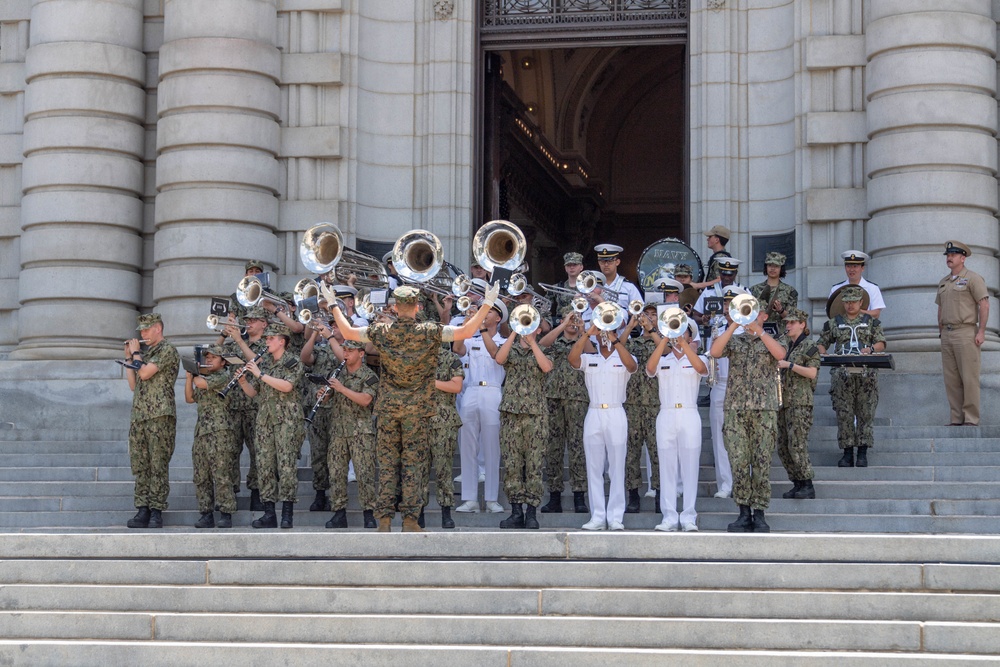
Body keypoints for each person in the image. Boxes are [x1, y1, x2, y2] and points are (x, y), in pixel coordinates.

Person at [330, 282, 501, 532]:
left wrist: (333, 305)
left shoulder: (382, 331)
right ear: (417, 306)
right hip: (417, 410)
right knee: (413, 465)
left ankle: (385, 520)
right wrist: (486, 304)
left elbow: (347, 331)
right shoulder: (429, 330)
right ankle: (410, 519)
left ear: (396, 307)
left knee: (388, 465)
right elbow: (466, 331)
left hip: (388, 409)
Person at [710, 297, 786, 533]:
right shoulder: (735, 341)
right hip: (736, 410)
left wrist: (759, 332)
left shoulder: (772, 338)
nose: (751, 316)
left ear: (764, 316)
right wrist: (733, 324)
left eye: (755, 312)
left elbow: (781, 354)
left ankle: (760, 512)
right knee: (739, 462)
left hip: (764, 409)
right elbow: (715, 351)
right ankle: (743, 512)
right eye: (748, 312)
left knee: (762, 463)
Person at [569, 320, 638, 531]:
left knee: (617, 466)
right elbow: (572, 359)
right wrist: (587, 333)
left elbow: (632, 367)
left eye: (607, 331)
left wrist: (616, 340)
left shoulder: (625, 356)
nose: (604, 335)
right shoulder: (590, 358)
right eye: (601, 332)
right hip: (594, 411)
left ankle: (616, 516)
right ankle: (598, 515)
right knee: (594, 467)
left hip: (616, 411)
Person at [239, 323, 305, 529]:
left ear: (282, 341)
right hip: (265, 420)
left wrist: (259, 374)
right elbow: (255, 393)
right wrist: (242, 381)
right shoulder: (265, 363)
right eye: (265, 338)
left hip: (287, 420)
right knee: (265, 466)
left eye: (270, 338)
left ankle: (287, 513)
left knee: (286, 467)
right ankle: (269, 513)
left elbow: (287, 386)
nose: (266, 341)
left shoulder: (292, 362)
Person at [646, 319, 708, 531]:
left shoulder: (698, 358)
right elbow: (650, 368)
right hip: (667, 413)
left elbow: (701, 369)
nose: (678, 335)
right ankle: (669, 516)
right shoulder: (664, 359)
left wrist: (683, 344)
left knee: (690, 467)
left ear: (691, 337)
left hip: (689, 413)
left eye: (684, 333)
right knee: (667, 467)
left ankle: (689, 515)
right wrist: (664, 339)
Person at [817, 285, 887, 467]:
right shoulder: (834, 323)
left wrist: (870, 349)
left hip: (866, 374)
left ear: (861, 302)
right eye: (847, 302)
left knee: (866, 412)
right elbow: (821, 343)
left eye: (854, 302)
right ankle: (847, 453)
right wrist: (823, 353)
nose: (850, 305)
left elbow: (881, 343)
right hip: (842, 374)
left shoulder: (871, 322)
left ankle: (862, 452)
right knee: (844, 413)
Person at [494, 318, 553, 529]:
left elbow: (546, 367)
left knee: (534, 464)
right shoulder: (510, 349)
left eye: (530, 325)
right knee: (512, 464)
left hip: (536, 415)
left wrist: (533, 342)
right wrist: (514, 333)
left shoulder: (544, 349)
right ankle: (516, 510)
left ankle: (531, 513)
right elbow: (499, 359)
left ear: (538, 328)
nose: (526, 329)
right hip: (511, 413)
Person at [123, 313, 180, 529]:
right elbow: (133, 383)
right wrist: (129, 358)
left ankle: (156, 510)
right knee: (141, 464)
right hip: (140, 415)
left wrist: (137, 353)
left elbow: (145, 373)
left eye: (146, 329)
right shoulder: (146, 354)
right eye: (141, 330)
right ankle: (142, 509)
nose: (142, 333)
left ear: (158, 328)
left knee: (158, 463)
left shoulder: (167, 350)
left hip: (159, 415)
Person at [453, 300, 508, 515]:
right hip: (472, 390)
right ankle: (470, 498)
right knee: (467, 446)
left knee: (492, 447)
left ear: (498, 318)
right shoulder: (473, 338)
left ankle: (492, 498)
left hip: (493, 391)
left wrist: (481, 327)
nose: (485, 314)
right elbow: (457, 348)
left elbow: (498, 356)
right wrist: (468, 322)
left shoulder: (504, 341)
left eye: (490, 311)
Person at [538, 306, 592, 514]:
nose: (572, 322)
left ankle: (579, 495)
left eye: (575, 318)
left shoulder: (584, 340)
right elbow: (541, 345)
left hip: (577, 399)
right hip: (553, 398)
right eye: (568, 318)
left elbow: (591, 353)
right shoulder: (555, 341)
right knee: (554, 449)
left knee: (578, 447)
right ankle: (554, 496)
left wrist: (583, 330)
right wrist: (562, 325)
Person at [324, 339, 379, 529]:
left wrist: (342, 388)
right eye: (344, 350)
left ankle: (369, 514)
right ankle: (339, 513)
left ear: (361, 353)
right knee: (336, 473)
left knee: (365, 474)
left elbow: (365, 400)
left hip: (360, 432)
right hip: (339, 430)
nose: (345, 354)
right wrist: (324, 395)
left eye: (350, 350)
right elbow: (329, 399)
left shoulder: (368, 376)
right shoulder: (338, 373)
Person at [937, 240, 989, 426]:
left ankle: (971, 419)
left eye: (953, 255)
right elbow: (941, 308)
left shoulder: (973, 278)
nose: (949, 258)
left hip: (966, 332)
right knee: (951, 379)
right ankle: (956, 418)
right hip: (948, 334)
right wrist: (941, 332)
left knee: (969, 378)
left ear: (963, 258)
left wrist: (981, 331)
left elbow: (984, 304)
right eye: (948, 255)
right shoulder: (944, 282)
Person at [184, 344, 237, 528]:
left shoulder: (224, 376)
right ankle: (205, 513)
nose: (208, 360)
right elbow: (190, 398)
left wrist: (194, 372)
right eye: (207, 357)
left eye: (213, 357)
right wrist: (188, 377)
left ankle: (226, 512)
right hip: (202, 431)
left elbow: (201, 384)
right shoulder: (205, 377)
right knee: (201, 475)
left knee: (221, 474)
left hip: (220, 431)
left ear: (223, 362)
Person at [222, 306, 268, 511]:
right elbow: (211, 355)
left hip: (254, 406)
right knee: (230, 451)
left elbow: (258, 361)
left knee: (257, 451)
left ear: (264, 323)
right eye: (246, 320)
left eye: (253, 320)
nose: (248, 323)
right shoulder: (237, 343)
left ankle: (257, 492)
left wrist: (239, 340)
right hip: (233, 405)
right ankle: (229, 492)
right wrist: (224, 335)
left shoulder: (268, 344)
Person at [775, 308, 820, 499]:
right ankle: (797, 481)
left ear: (803, 324)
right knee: (783, 445)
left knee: (797, 444)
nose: (789, 325)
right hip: (783, 401)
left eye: (793, 322)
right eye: (787, 322)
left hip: (800, 402)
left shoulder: (810, 346)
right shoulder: (785, 345)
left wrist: (790, 365)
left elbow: (812, 373)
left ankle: (807, 483)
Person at [300, 321, 345, 513]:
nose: (333, 328)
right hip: (317, 407)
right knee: (318, 453)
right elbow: (305, 357)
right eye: (331, 325)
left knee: (336, 456)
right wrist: (314, 335)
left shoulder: (351, 349)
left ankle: (337, 496)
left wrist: (330, 337)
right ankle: (320, 493)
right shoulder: (323, 349)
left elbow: (344, 358)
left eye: (337, 325)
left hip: (339, 409)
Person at [622, 302, 662, 513]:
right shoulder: (634, 343)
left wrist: (652, 329)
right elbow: (617, 349)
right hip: (632, 404)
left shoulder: (664, 341)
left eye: (653, 315)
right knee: (631, 454)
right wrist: (630, 326)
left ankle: (660, 494)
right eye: (645, 314)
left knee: (657, 453)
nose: (648, 318)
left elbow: (666, 351)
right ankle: (633, 495)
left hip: (656, 404)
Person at [428, 344, 464, 529]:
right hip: (417, 420)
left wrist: (430, 382)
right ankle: (416, 513)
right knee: (416, 471)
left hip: (443, 420)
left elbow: (456, 386)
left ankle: (446, 512)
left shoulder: (450, 359)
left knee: (444, 470)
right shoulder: (413, 356)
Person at [830, 250, 885, 319]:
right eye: (848, 266)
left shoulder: (872, 288)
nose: (851, 270)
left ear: (862, 268)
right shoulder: (836, 289)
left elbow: (876, 313)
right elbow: (831, 313)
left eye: (855, 266)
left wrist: (857, 312)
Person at [750, 251, 798, 327]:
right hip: (759, 333)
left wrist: (781, 310)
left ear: (781, 269)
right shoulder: (754, 290)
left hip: (781, 336)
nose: (772, 269)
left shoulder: (790, 291)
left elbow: (793, 319)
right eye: (770, 265)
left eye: (776, 266)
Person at [593, 243, 643, 310]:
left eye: (610, 261)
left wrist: (626, 313)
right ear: (599, 263)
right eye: (602, 261)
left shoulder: (629, 287)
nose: (606, 264)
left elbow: (639, 309)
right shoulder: (592, 285)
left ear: (617, 262)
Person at [691, 225, 732, 290]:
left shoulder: (720, 258)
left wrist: (698, 285)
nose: (707, 239)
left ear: (717, 240)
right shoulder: (720, 257)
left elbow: (720, 280)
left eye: (710, 237)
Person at [549, 252, 585, 319]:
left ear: (581, 267)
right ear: (565, 268)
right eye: (568, 265)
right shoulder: (557, 288)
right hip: (562, 325)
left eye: (575, 264)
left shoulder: (587, 288)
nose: (571, 267)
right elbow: (544, 306)